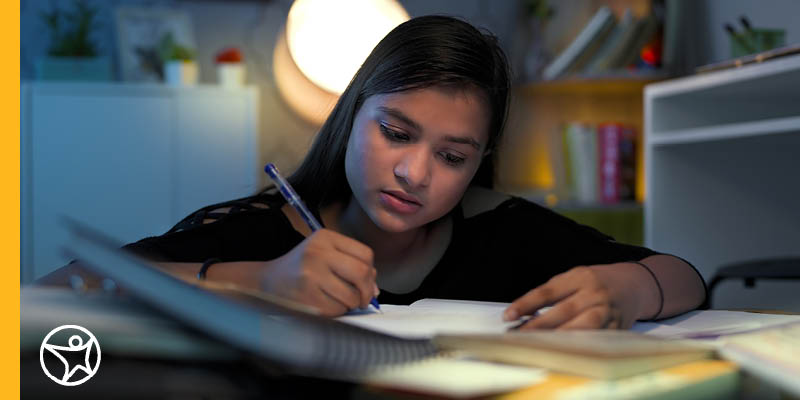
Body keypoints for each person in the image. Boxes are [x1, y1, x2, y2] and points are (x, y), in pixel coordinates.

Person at [39, 15, 706, 329]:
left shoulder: (503, 230)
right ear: (352, 115)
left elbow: (685, 277)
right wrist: (261, 282)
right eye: (395, 133)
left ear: (479, 161)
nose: (415, 173)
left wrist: (628, 290)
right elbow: (58, 288)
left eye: (452, 157)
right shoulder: (262, 229)